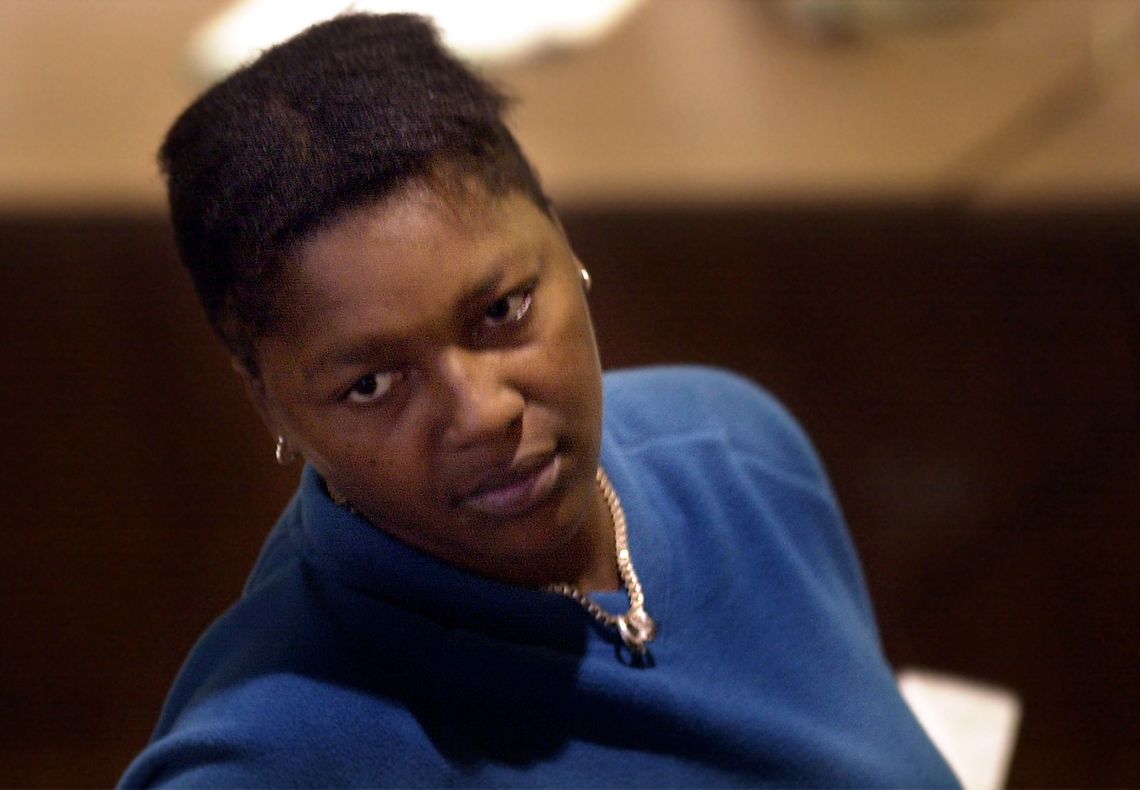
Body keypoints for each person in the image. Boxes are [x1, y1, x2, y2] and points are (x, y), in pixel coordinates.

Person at [120, 13, 957, 788]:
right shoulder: (267, 755)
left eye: (501, 312)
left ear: (562, 236)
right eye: (371, 384)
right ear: (270, 406)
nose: (482, 414)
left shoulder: (735, 452)